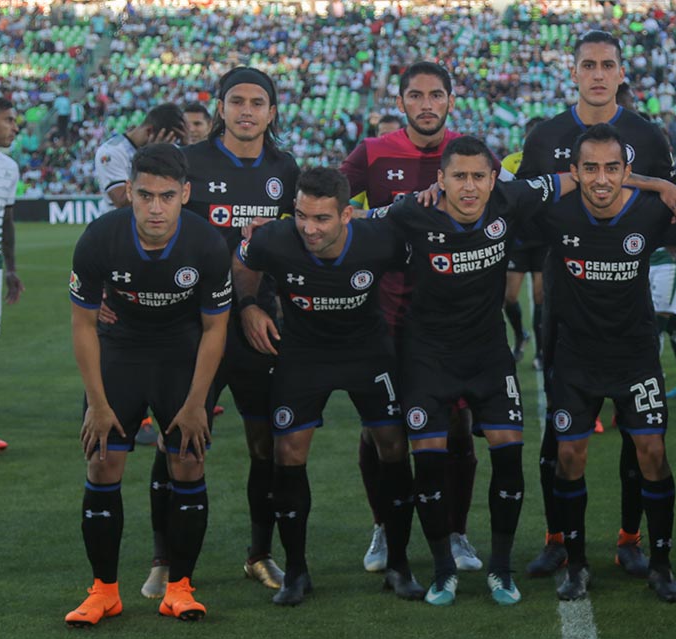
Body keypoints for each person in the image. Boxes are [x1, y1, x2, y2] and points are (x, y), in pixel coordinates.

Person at [372, 136, 570, 606]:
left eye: (478, 176)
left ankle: (500, 569)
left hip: (488, 355)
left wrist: (661, 186)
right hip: (427, 357)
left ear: (493, 179)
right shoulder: (409, 212)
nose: (469, 186)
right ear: (439, 179)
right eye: (458, 176)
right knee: (430, 460)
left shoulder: (510, 197)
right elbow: (350, 222)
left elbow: (577, 178)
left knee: (508, 453)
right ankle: (443, 571)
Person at [519, 30, 676, 580]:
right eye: (588, 65)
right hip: (564, 304)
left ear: (620, 72)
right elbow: (527, 208)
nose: (598, 74)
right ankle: (557, 538)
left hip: (625, 301)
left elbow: (666, 201)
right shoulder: (545, 136)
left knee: (640, 438)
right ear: (574, 72)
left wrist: (647, 180)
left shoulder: (647, 134)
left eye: (608, 65)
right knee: (559, 439)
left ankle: (631, 539)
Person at [233, 168, 419, 605]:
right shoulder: (274, 238)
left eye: (321, 219)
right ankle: (296, 571)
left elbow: (422, 261)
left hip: (367, 352)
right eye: (302, 216)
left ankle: (398, 564)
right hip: (303, 355)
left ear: (347, 215)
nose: (309, 228)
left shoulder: (380, 239)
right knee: (287, 452)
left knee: (393, 447)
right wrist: (247, 306)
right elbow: (244, 258)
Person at [65, 143, 231, 627]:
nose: (155, 207)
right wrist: (96, 404)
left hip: (180, 356)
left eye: (165, 196)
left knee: (187, 459)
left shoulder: (204, 244)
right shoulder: (99, 238)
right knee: (102, 461)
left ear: (185, 194)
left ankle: (179, 588)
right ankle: (104, 592)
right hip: (120, 351)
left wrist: (198, 402)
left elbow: (216, 328)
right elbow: (82, 326)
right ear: (129, 193)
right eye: (144, 195)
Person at [340, 61, 487, 576]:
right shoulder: (374, 153)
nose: (427, 104)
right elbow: (331, 205)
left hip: (455, 317)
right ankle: (385, 524)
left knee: (458, 425)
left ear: (451, 99)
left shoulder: (469, 154)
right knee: (380, 429)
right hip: (389, 314)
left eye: (436, 95)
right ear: (401, 102)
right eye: (416, 95)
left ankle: (456, 532)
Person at [534, 124, 676, 602]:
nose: (602, 178)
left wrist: (658, 184)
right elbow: (502, 196)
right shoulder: (554, 213)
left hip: (636, 357)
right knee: (567, 457)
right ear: (574, 171)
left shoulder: (650, 212)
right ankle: (576, 565)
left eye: (613, 168)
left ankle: (660, 565)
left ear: (627, 170)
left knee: (653, 456)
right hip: (577, 357)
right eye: (591, 168)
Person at [182, 66, 300, 592]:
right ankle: (167, 561)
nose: (247, 110)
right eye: (237, 101)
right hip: (192, 326)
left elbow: (293, 245)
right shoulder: (191, 163)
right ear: (220, 109)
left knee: (265, 444)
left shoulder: (286, 170)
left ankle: (259, 553)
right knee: (182, 442)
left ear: (272, 112)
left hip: (259, 326)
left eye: (258, 102)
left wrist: (259, 303)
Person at [498, 116, 545, 365]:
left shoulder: (552, 161)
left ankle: (540, 350)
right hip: (517, 239)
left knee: (540, 296)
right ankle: (520, 335)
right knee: (509, 297)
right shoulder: (510, 162)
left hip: (543, 238)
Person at [94, 103, 185, 210]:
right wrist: (154, 158)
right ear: (149, 131)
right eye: (167, 142)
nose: (170, 147)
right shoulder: (111, 152)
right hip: (120, 223)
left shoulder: (171, 149)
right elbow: (122, 201)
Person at [0, 97, 24, 341]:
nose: (15, 128)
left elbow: (6, 223)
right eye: (8, 120)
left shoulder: (9, 168)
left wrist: (10, 270)